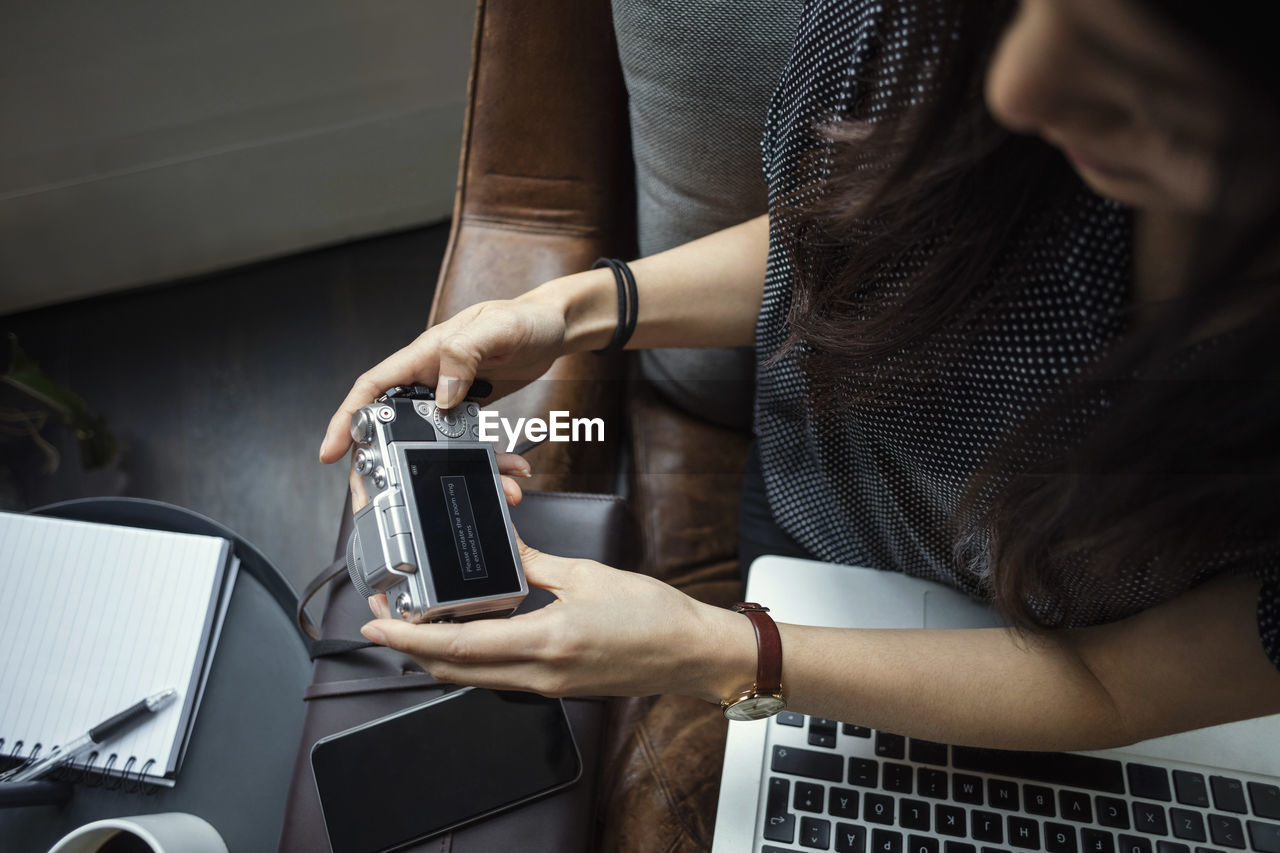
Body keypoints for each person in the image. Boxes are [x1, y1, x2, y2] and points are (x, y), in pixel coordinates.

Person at [319, 0, 1280, 751]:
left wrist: (715, 652)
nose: (1019, 89)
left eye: (1145, 81)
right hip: (811, 524)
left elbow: (1115, 686)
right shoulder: (930, 25)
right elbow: (854, 243)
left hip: (1068, 676)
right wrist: (569, 313)